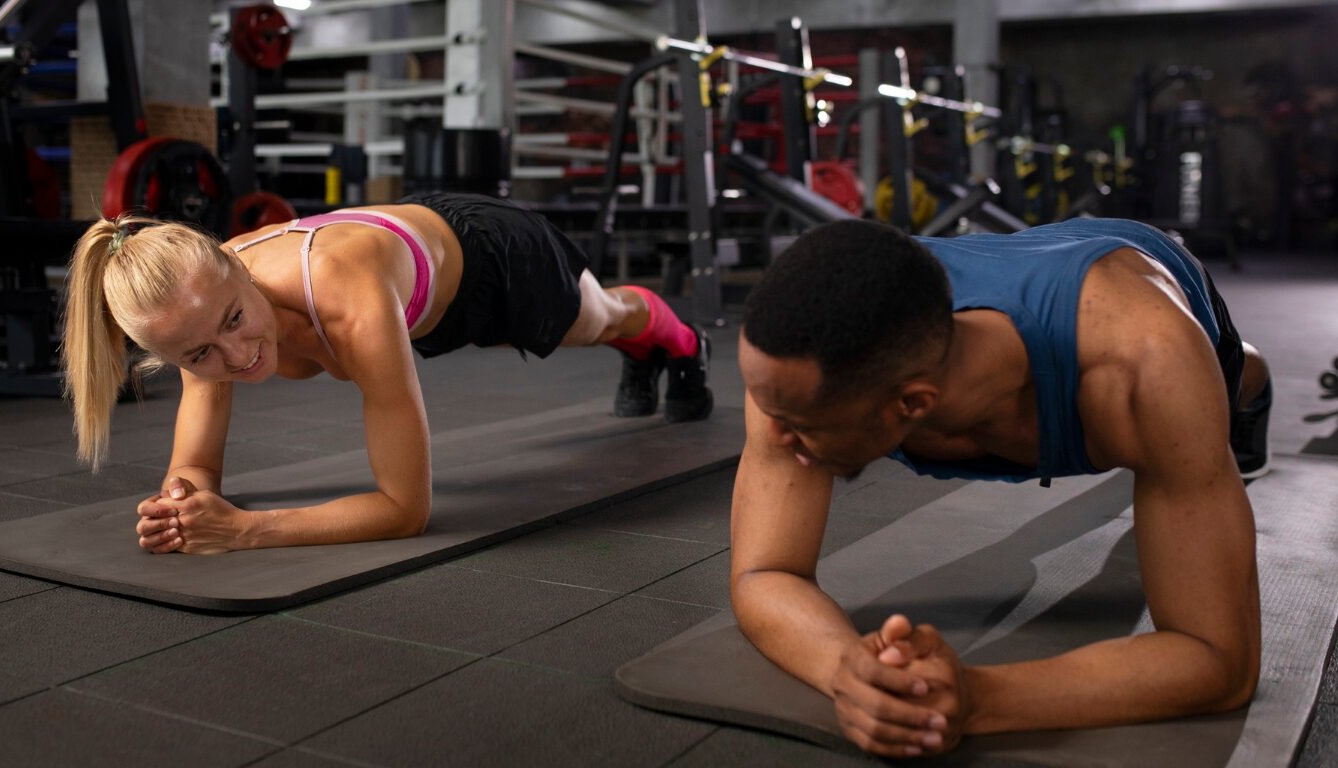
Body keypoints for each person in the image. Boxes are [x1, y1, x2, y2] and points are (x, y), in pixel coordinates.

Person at [731, 217, 1270, 757]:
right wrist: (850, 670)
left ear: (913, 405)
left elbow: (1221, 659)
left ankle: (1254, 375)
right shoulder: (800, 369)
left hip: (1140, 283)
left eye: (794, 421)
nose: (771, 432)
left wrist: (978, 697)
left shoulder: (1146, 364)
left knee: (1213, 397)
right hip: (1009, 277)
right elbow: (764, 572)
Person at [62, 192, 712, 555]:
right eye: (197, 357)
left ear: (241, 268)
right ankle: (647, 349)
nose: (233, 360)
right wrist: (183, 503)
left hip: (493, 257)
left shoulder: (344, 296)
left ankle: (680, 345)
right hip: (409, 275)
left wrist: (243, 530)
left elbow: (406, 511)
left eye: (235, 321)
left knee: (600, 319)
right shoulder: (198, 311)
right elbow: (197, 464)